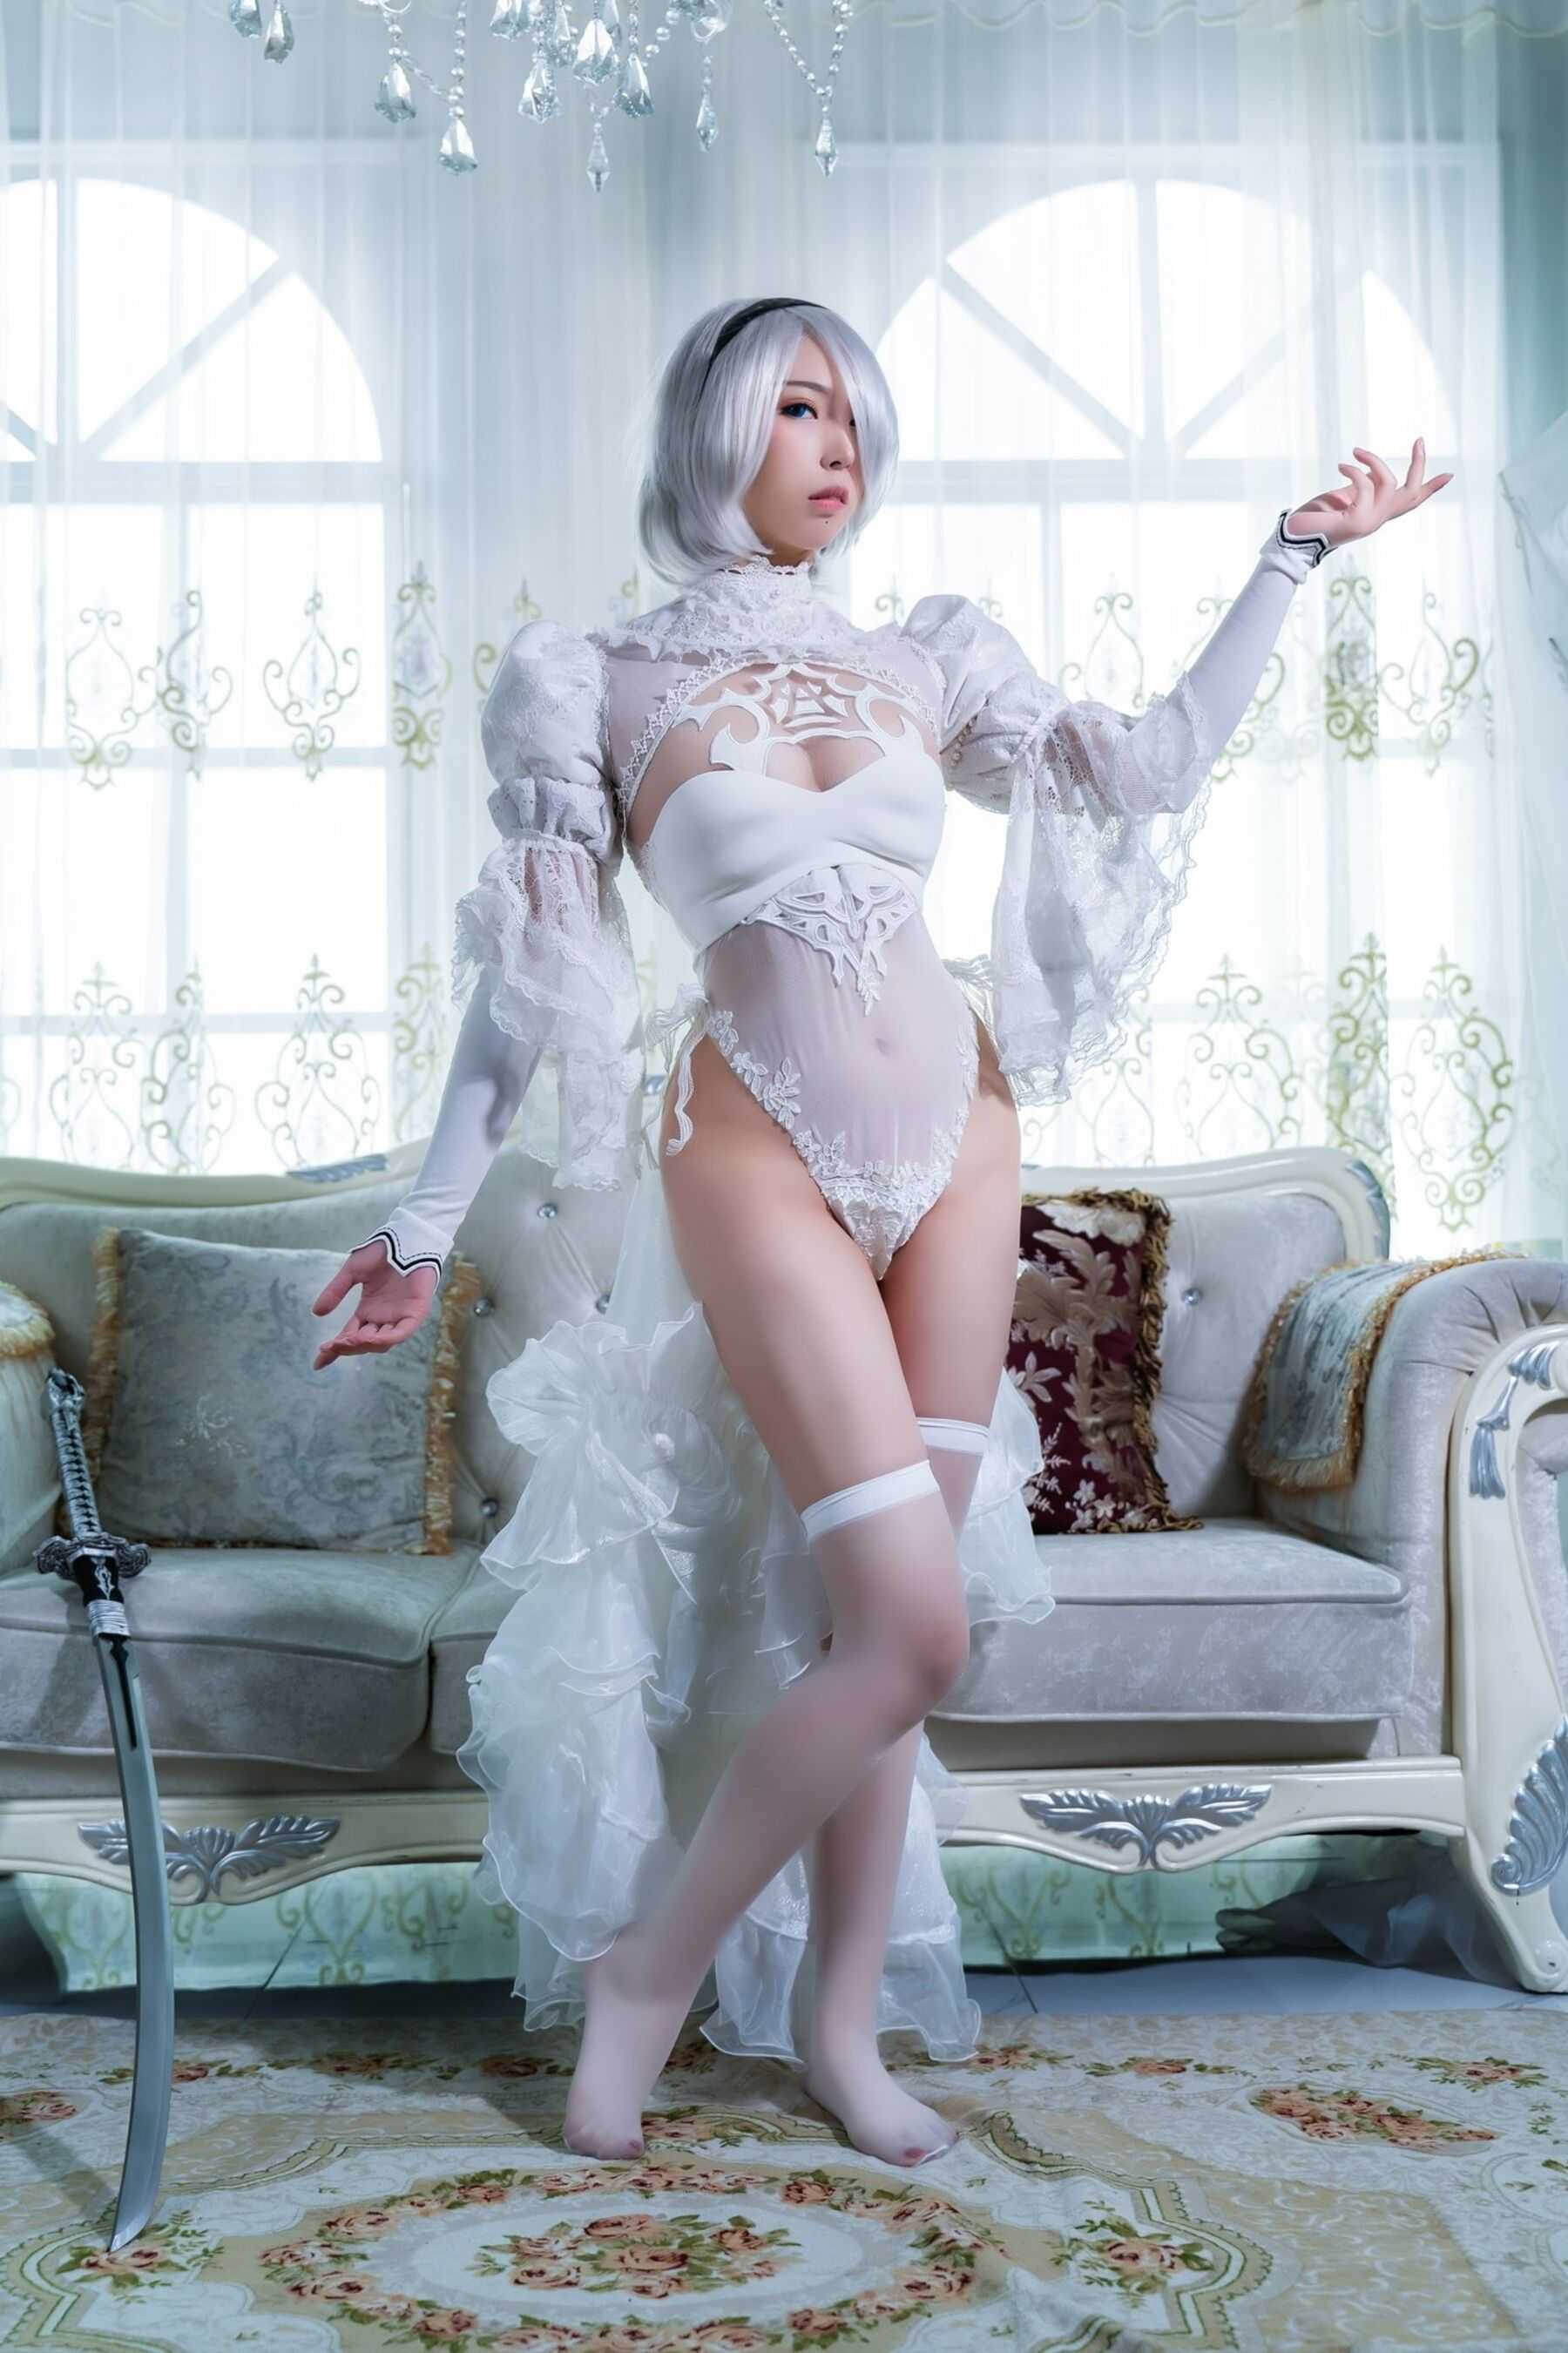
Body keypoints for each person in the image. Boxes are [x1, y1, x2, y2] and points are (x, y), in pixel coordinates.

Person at [309, 295, 1452, 2167]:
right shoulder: (592, 680)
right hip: (750, 1146)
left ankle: (841, 2026)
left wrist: (1288, 560)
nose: (839, 445)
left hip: (962, 1153)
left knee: (887, 1622)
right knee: (912, 1624)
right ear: (715, 431)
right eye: (799, 407)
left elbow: (1145, 766)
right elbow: (530, 984)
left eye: (854, 415)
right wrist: (424, 1225)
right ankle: (650, 1974)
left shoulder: (925, 659)